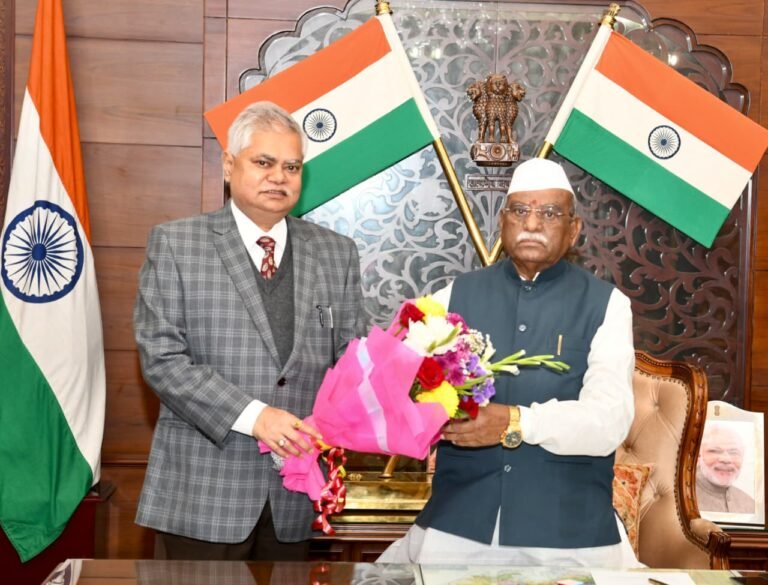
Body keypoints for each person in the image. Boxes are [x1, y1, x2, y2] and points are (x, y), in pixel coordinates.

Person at [379, 157, 639, 567]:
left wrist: (517, 422)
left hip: (568, 528)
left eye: (549, 213)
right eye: (519, 211)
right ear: (502, 222)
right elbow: (398, 391)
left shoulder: (607, 305)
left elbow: (609, 422)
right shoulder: (450, 298)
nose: (532, 224)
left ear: (573, 229)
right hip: (459, 523)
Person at [133, 101, 365, 560]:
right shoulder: (177, 244)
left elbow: (352, 361)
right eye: (264, 162)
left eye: (292, 167)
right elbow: (162, 361)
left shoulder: (336, 253)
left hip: (296, 499)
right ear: (228, 165)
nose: (279, 177)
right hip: (201, 497)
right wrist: (255, 417)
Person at [696, 423, 755, 514]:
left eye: (734, 452)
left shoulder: (750, 504)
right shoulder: (681, 497)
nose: (726, 459)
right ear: (698, 457)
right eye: (715, 451)